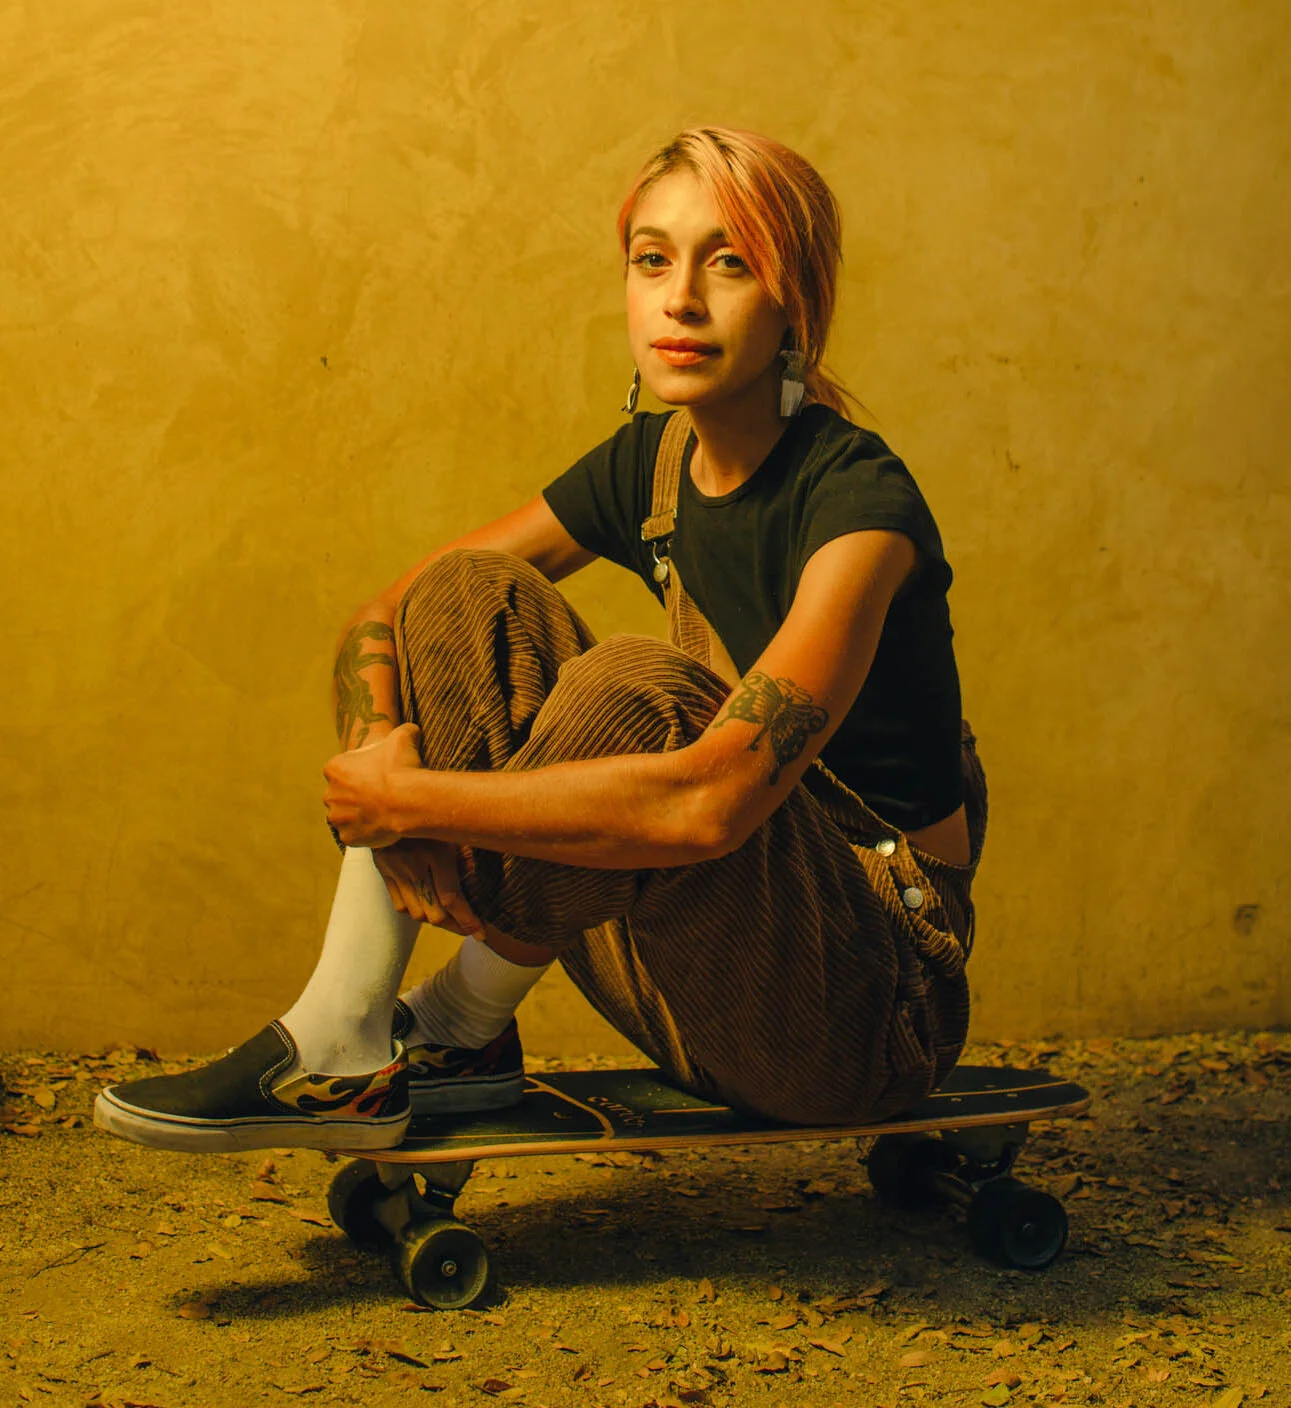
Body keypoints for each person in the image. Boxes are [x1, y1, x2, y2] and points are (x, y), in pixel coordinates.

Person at [94, 125, 985, 1154]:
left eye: (730, 262)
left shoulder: (861, 508)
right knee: (463, 591)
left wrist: (409, 803)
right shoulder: (653, 466)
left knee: (638, 688)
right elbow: (386, 612)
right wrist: (382, 758)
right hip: (694, 974)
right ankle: (395, 1029)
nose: (680, 298)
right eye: (651, 259)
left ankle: (388, 1032)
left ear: (798, 300)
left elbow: (711, 801)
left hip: (865, 1016)